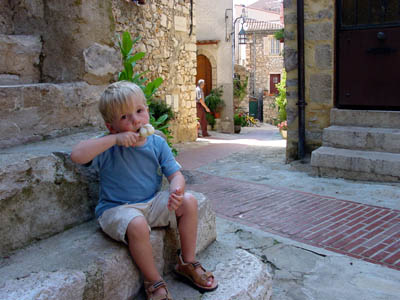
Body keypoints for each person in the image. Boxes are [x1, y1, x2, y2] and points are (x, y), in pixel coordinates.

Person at [71, 81, 218, 300]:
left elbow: (175, 174)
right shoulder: (107, 145)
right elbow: (77, 155)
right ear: (111, 126)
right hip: (117, 208)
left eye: (139, 111)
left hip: (151, 203)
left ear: (147, 111)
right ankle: (153, 281)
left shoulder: (156, 143)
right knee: (138, 225)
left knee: (189, 201)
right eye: (124, 117)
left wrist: (177, 190)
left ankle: (187, 262)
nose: (135, 120)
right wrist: (113, 140)